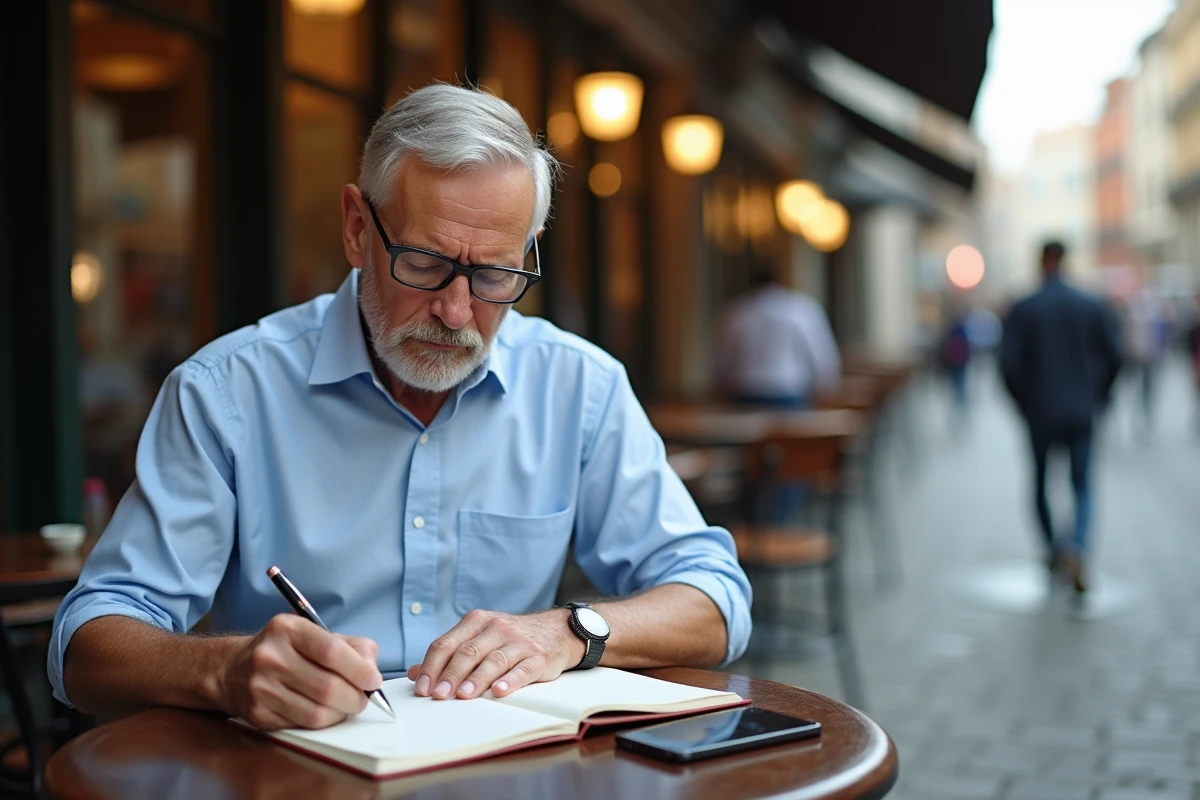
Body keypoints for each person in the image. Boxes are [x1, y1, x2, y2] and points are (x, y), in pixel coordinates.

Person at [49, 84, 752, 732]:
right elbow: (87, 646)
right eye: (422, 263)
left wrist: (567, 632)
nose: (454, 311)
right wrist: (223, 671)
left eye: (495, 274)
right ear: (357, 227)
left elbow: (715, 598)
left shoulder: (580, 387)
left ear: (528, 254)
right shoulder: (227, 392)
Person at [1000, 241, 1122, 600]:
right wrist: (1098, 397)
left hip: (1040, 412)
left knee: (1040, 484)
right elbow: (1115, 357)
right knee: (1081, 485)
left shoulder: (1025, 307)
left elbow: (1008, 366)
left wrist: (1023, 404)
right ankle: (1077, 547)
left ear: (1041, 262)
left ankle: (1055, 552)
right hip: (1082, 410)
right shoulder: (1090, 304)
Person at [715, 260, 840, 408]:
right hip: (790, 392)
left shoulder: (736, 313)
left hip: (746, 393)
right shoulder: (801, 309)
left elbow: (723, 361)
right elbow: (822, 356)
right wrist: (826, 388)